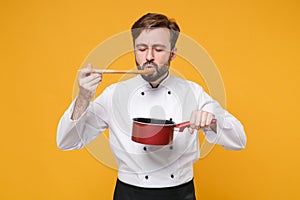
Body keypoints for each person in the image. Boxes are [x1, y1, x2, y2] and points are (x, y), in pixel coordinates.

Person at [57, 13, 246, 200]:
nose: (149, 57)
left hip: (180, 193)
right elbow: (66, 142)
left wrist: (212, 122)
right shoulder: (114, 94)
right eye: (141, 48)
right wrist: (83, 97)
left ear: (172, 54)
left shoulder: (193, 92)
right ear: (134, 51)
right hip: (129, 193)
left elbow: (239, 140)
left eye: (158, 49)